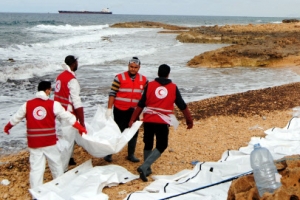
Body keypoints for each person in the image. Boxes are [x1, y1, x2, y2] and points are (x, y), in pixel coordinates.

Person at [3, 81, 87, 190]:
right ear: (47, 90)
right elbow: (67, 116)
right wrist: (80, 127)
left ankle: (36, 192)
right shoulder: (53, 104)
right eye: (50, 90)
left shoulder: (27, 104)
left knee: (36, 168)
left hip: (34, 142)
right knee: (56, 164)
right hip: (49, 141)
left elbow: (16, 118)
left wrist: (7, 127)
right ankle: (59, 186)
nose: (51, 92)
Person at [128, 64, 193, 182]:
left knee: (148, 143)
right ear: (168, 74)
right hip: (162, 121)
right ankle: (144, 167)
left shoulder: (150, 85)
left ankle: (147, 168)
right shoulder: (173, 87)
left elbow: (141, 104)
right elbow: (182, 105)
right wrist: (189, 119)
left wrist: (133, 119)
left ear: (158, 73)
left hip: (148, 119)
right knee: (162, 145)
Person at [104, 57, 148, 162]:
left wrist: (144, 111)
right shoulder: (119, 77)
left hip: (135, 110)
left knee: (133, 132)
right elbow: (112, 93)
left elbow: (146, 96)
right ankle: (109, 154)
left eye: (135, 67)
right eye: (131, 67)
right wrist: (109, 108)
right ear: (128, 66)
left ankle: (131, 154)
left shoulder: (144, 80)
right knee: (117, 131)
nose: (133, 69)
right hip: (120, 109)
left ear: (139, 68)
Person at [54, 55, 85, 166]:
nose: (77, 64)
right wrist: (82, 121)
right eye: (76, 62)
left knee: (69, 136)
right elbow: (76, 101)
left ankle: (70, 158)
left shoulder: (60, 76)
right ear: (73, 64)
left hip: (58, 110)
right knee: (68, 139)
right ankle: (63, 166)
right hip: (68, 113)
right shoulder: (72, 80)